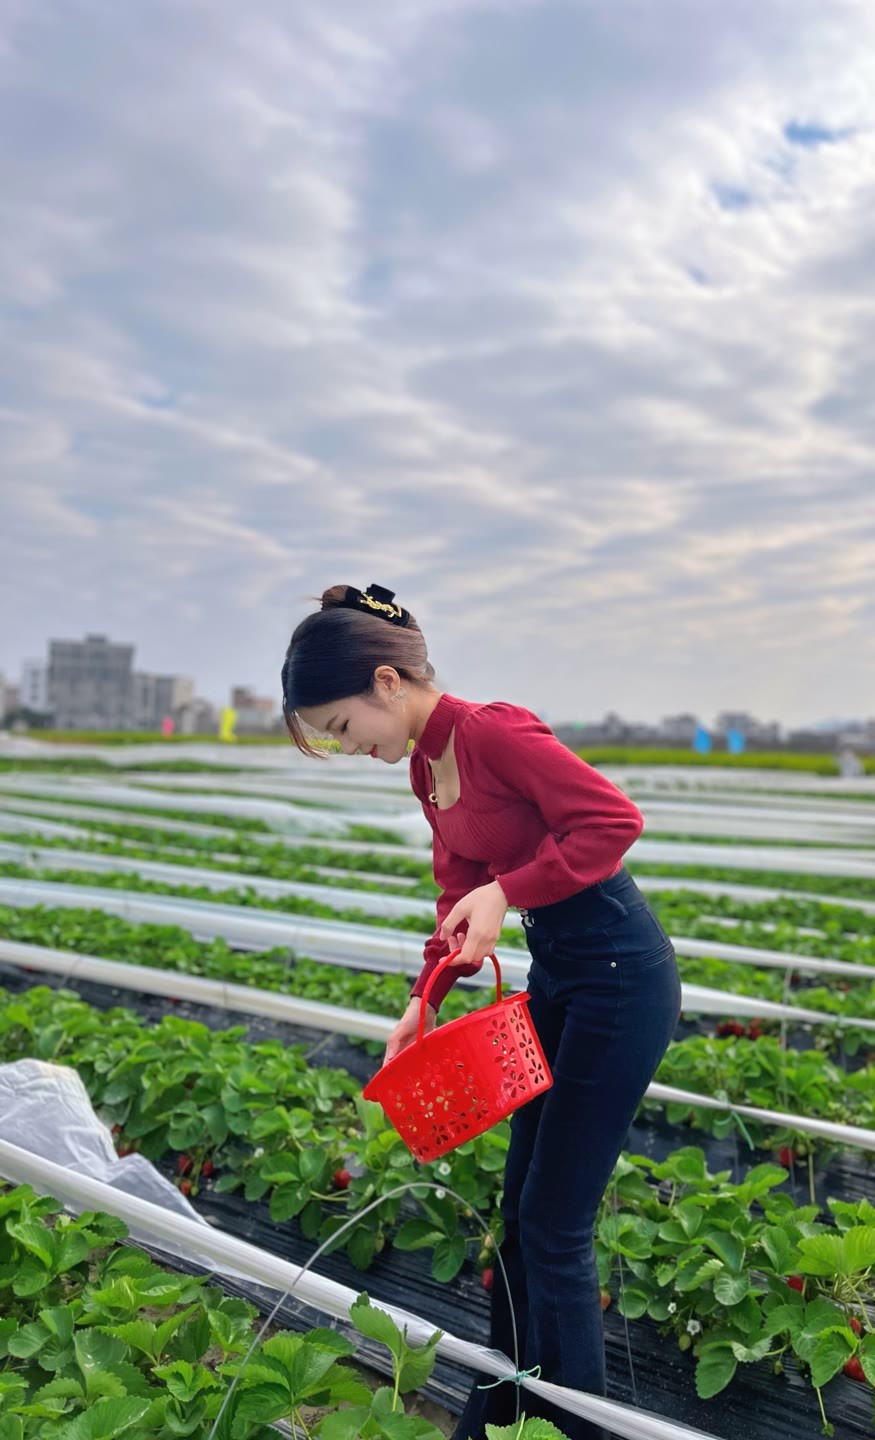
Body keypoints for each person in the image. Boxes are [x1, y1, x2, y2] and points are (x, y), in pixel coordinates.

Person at [281, 582, 683, 1440]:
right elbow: (458, 895)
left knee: (556, 1224)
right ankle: (507, 1409)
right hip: (564, 979)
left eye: (346, 729)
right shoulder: (428, 767)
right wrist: (420, 1004)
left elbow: (614, 822)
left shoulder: (493, 731)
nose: (351, 748)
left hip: (621, 977)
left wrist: (512, 888)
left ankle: (575, 1428)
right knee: (518, 1219)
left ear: (388, 682)